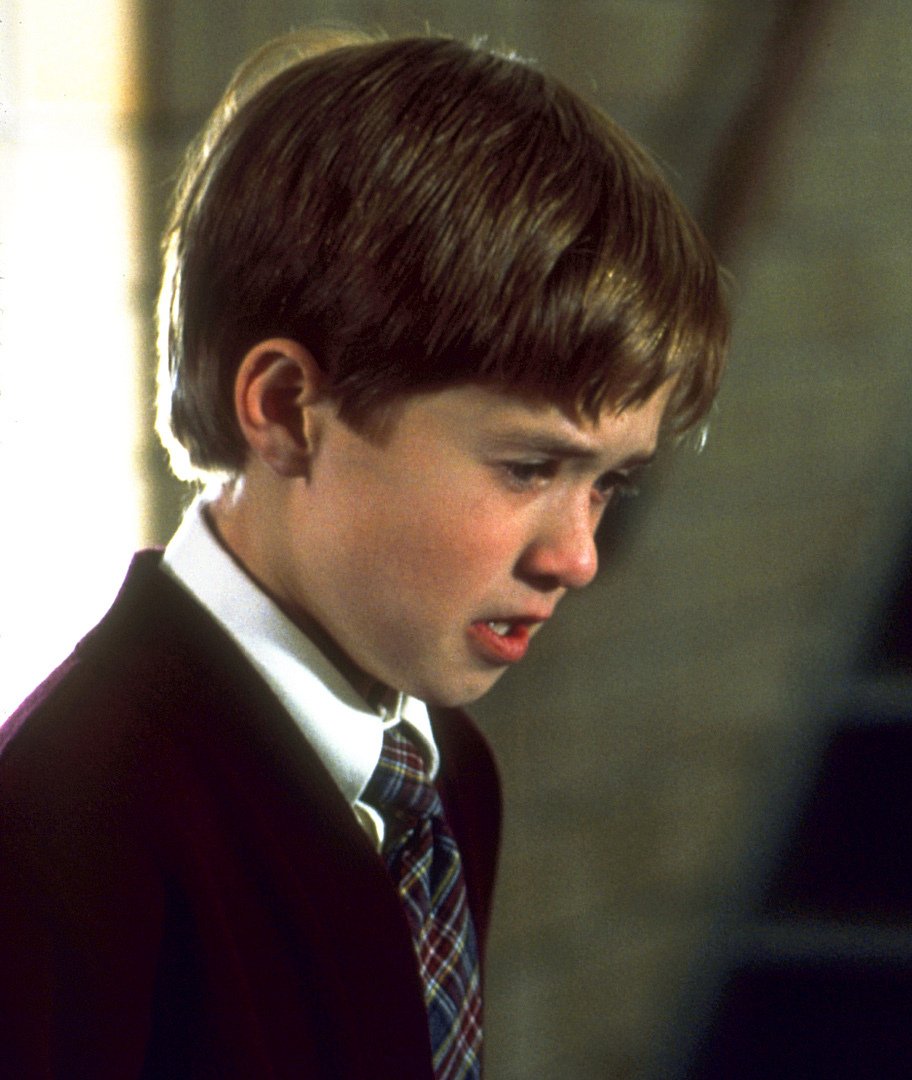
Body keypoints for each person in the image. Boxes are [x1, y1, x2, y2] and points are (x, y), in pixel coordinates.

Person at [0, 29, 726, 1079]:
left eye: (609, 483)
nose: (578, 557)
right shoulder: (65, 834)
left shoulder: (444, 775)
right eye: (529, 468)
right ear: (289, 410)